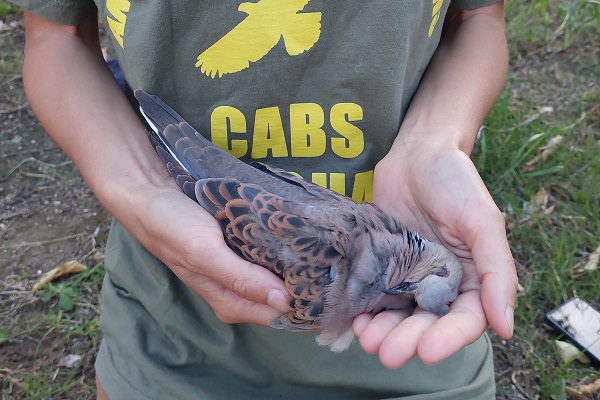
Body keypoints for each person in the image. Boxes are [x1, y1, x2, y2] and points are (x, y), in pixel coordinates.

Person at [15, 0, 517, 398]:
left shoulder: (414, 292)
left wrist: (435, 141)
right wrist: (141, 190)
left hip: (414, 354)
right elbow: (55, 35)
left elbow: (475, 17)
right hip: (173, 327)